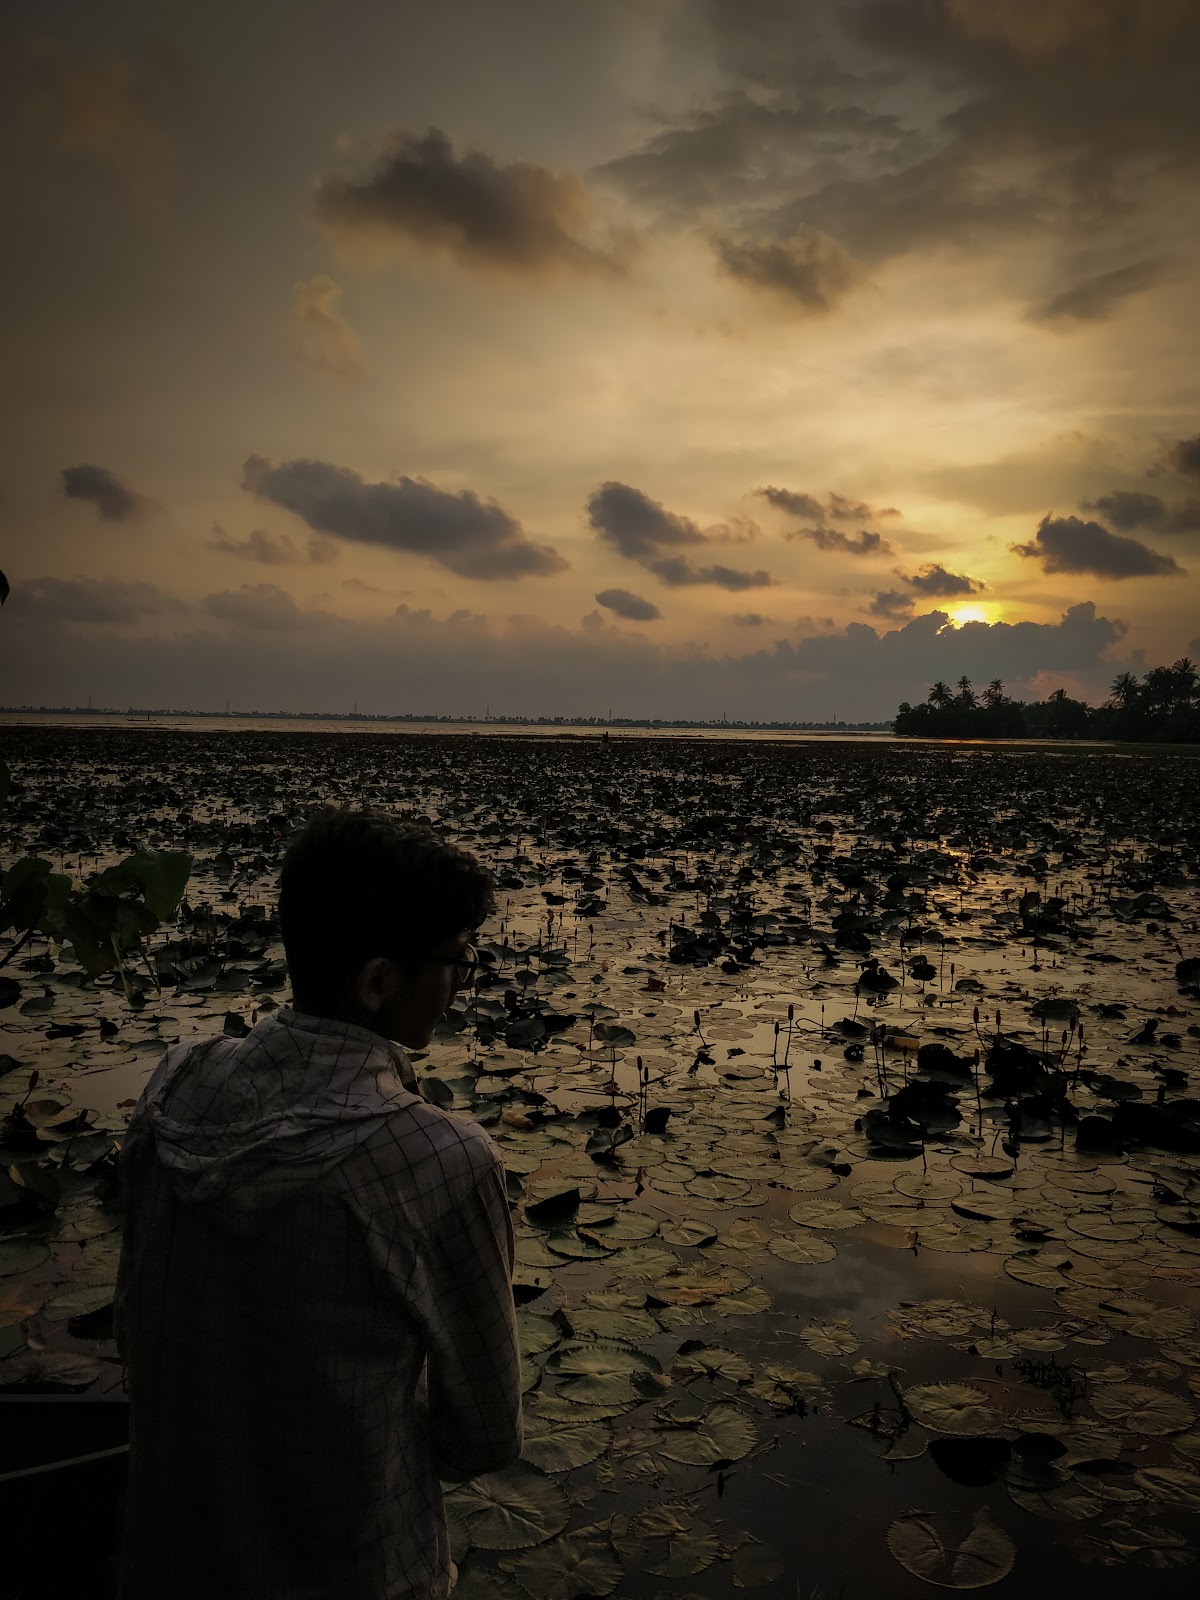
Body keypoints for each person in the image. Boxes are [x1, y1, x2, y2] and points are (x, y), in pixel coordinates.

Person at [113, 808, 523, 1600]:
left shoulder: (173, 1087)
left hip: (167, 1566)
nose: (457, 985)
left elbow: (136, 1326)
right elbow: (482, 1436)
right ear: (378, 982)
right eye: (454, 963)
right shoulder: (443, 1159)